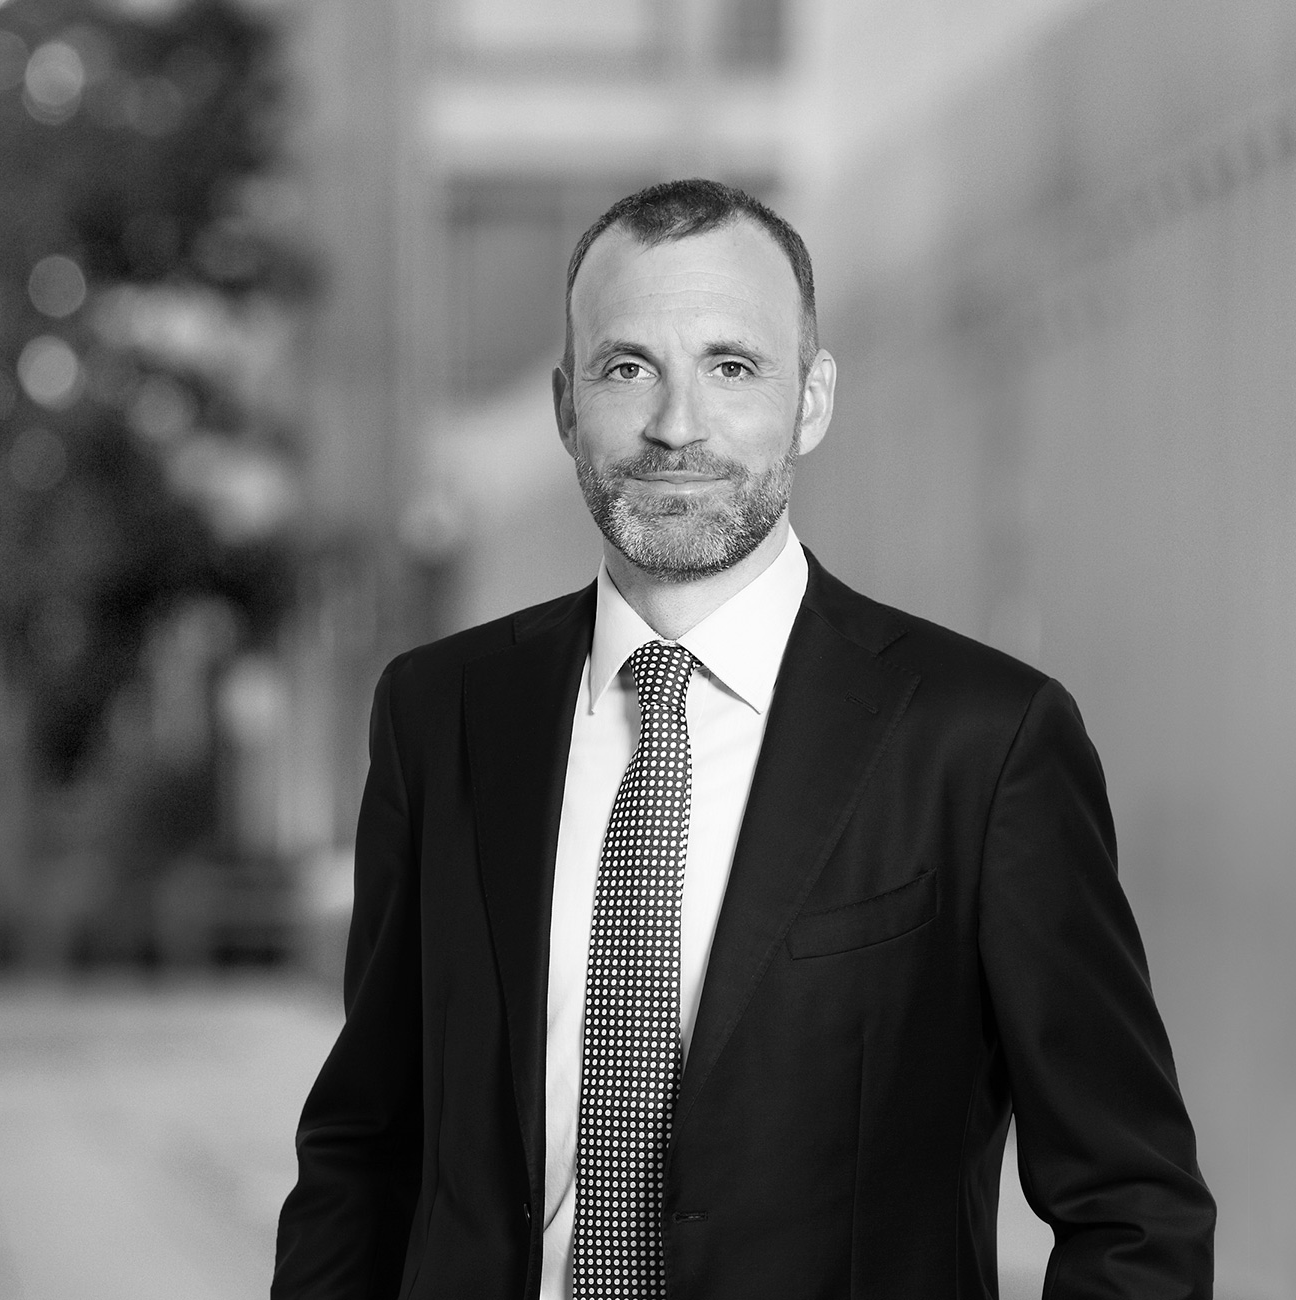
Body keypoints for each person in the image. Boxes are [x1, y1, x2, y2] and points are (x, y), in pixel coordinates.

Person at [272, 179, 1214, 1299]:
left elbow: (1132, 1208)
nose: (677, 427)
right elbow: (364, 1150)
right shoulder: (441, 713)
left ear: (811, 399)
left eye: (731, 366)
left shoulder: (982, 741)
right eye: (627, 368)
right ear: (566, 405)